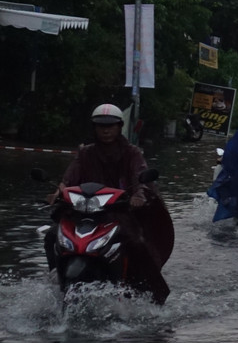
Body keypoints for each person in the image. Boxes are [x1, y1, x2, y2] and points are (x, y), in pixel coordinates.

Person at [50, 103, 173, 302]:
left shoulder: (132, 152)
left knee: (136, 242)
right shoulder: (85, 153)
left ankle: (149, 290)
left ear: (119, 127)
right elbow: (68, 179)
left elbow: (141, 176)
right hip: (84, 212)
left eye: (111, 125)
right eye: (100, 126)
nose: (106, 130)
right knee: (51, 235)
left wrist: (138, 196)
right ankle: (56, 276)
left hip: (119, 212)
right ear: (94, 128)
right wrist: (59, 190)